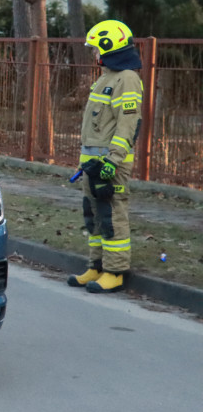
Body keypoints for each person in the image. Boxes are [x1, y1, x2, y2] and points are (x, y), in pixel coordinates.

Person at [67, 19, 143, 294]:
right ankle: (96, 266)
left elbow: (128, 124)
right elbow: (95, 127)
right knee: (93, 215)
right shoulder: (106, 78)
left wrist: (113, 160)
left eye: (96, 48)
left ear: (110, 48)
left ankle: (115, 272)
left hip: (112, 164)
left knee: (112, 216)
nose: (94, 54)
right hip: (92, 163)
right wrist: (84, 163)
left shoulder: (127, 79)